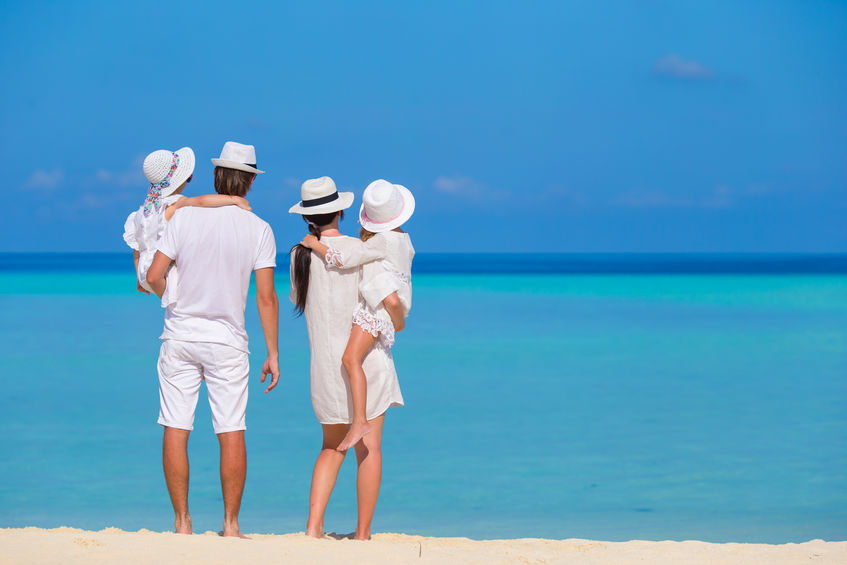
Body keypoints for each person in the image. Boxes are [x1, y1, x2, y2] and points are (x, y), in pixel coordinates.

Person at [145, 141, 280, 537]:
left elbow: (153, 276)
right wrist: (272, 352)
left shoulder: (183, 218)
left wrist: (170, 299)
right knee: (231, 429)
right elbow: (266, 297)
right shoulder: (259, 229)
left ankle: (182, 523)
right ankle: (231, 525)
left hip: (180, 335)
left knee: (175, 425)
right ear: (250, 182)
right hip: (228, 342)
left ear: (217, 176)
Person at [288, 177, 406, 540]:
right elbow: (385, 298)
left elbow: (299, 300)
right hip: (365, 363)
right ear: (340, 211)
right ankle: (362, 533)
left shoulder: (298, 255)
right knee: (369, 449)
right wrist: (400, 320)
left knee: (330, 447)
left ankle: (313, 528)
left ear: (307, 217)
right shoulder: (362, 249)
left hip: (324, 368)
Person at [301, 179, 415, 452]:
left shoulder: (382, 242)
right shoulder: (404, 240)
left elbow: (346, 259)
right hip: (392, 310)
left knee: (350, 358)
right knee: (352, 359)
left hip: (376, 312)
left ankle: (360, 420)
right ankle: (361, 420)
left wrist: (315, 245)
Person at [122, 147, 250, 306]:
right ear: (178, 181)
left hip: (144, 272)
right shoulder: (174, 203)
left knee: (172, 303)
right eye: (188, 178)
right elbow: (201, 201)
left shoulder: (143, 211)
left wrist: (140, 278)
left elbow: (137, 248)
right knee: (178, 303)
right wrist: (233, 200)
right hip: (161, 273)